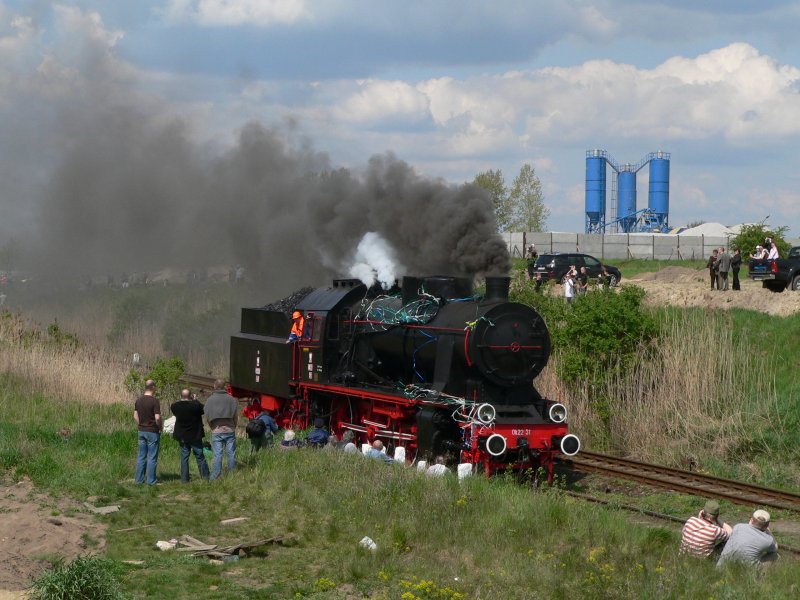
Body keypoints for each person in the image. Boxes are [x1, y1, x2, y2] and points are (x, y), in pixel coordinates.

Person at [170, 389, 210, 483]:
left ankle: (184, 479)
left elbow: (176, 407)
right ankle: (205, 477)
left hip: (182, 435)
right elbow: (203, 409)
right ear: (190, 396)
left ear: (181, 396)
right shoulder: (195, 405)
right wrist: (195, 400)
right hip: (195, 435)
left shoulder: (175, 406)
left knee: (184, 457)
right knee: (199, 456)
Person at [204, 379, 238, 480]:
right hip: (230, 430)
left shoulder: (210, 400)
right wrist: (234, 426)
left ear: (215, 386)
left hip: (216, 430)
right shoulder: (232, 399)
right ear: (225, 387)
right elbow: (235, 417)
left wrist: (212, 427)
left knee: (217, 454)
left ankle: (215, 476)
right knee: (231, 453)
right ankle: (232, 476)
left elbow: (208, 418)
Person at [134, 379, 162, 485]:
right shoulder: (154, 401)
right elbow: (157, 417)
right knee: (152, 457)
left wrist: (140, 423)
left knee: (141, 456)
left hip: (141, 430)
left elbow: (135, 415)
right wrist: (160, 427)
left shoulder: (139, 400)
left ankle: (139, 480)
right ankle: (151, 481)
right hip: (152, 431)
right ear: (153, 387)